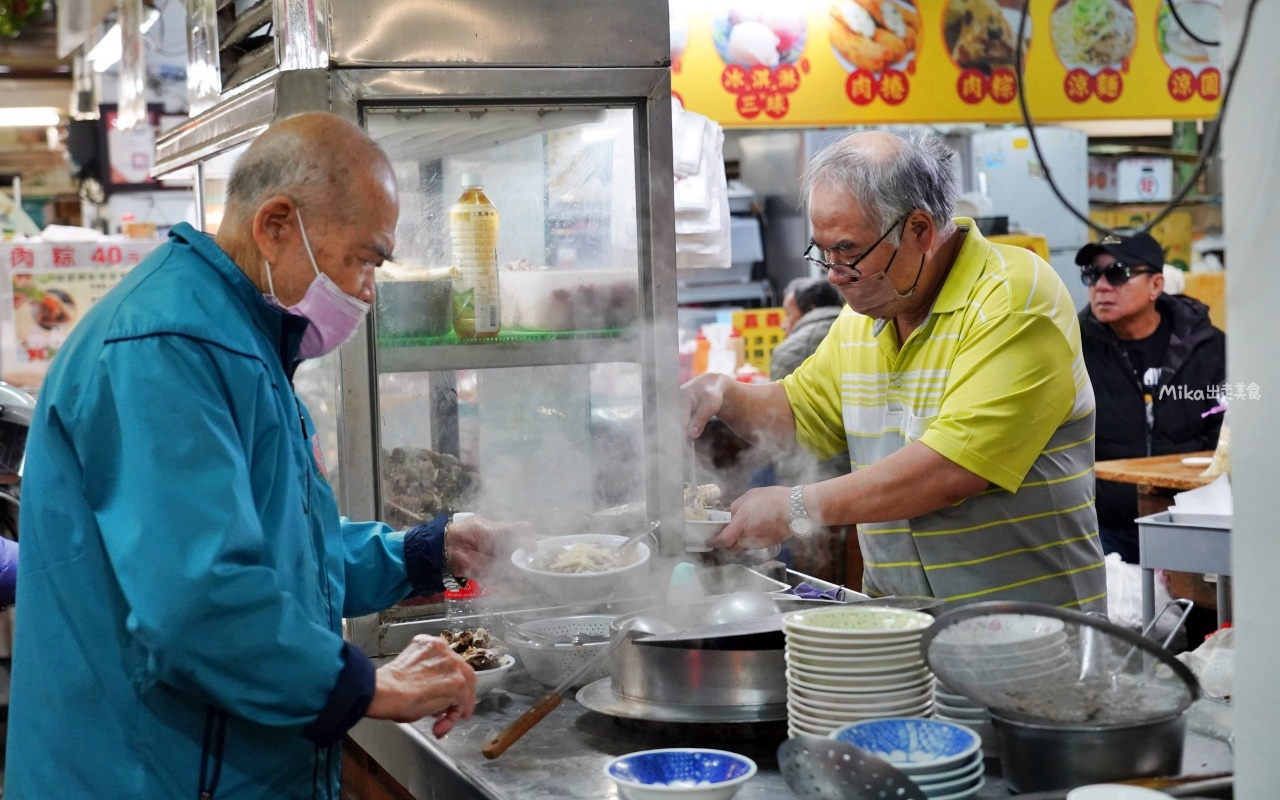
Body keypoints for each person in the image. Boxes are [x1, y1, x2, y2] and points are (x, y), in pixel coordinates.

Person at [6, 113, 530, 799]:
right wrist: (365, 683)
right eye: (365, 259)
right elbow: (198, 601)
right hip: (146, 774)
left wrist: (425, 553)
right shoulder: (168, 347)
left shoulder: (234, 337)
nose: (368, 290)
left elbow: (284, 555)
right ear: (276, 225)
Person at [682, 130, 1105, 611]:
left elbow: (952, 470)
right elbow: (800, 416)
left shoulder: (1013, 300)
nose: (834, 275)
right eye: (824, 252)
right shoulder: (864, 317)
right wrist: (723, 394)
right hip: (900, 624)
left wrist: (797, 506)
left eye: (849, 251)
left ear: (920, 231)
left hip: (1028, 629)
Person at [1075, 232, 1226, 563]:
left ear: (1156, 285)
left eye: (1117, 273)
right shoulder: (1071, 348)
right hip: (1100, 531)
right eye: (1092, 274)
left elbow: (1228, 436)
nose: (1101, 285)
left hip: (1192, 525)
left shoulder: (1208, 348)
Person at [770, 277, 846, 381]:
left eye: (788, 313)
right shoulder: (858, 326)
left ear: (810, 309)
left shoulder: (789, 350)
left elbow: (780, 395)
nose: (783, 324)